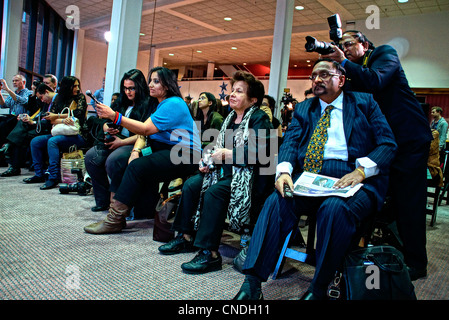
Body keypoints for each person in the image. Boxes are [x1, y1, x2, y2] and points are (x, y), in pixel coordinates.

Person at [233, 59, 397, 300]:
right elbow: (290, 143)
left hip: (352, 178)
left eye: (323, 74)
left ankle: (319, 288)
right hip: (309, 178)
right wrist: (285, 171)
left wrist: (361, 171)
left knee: (334, 210)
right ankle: (252, 283)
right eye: (313, 76)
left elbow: (388, 144)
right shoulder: (304, 108)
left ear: (341, 80)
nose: (316, 79)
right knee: (276, 201)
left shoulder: (364, 103)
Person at [324, 30, 433, 280]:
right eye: (342, 46)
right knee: (378, 196)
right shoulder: (353, 71)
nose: (345, 48)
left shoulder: (384, 54)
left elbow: (375, 81)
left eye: (349, 44)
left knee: (409, 201)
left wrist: (342, 61)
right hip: (382, 143)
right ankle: (366, 253)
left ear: (364, 44)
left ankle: (417, 262)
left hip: (408, 140)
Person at [158, 70, 274, 274]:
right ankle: (185, 237)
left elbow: (259, 153)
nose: (233, 94)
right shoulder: (230, 118)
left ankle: (209, 253)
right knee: (192, 184)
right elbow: (218, 148)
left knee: (214, 192)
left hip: (248, 179)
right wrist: (208, 160)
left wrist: (226, 155)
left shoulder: (259, 118)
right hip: (225, 173)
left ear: (253, 99)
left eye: (239, 91)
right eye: (232, 90)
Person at [83, 66, 201, 234]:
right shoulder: (159, 104)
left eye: (156, 81)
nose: (151, 85)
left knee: (137, 166)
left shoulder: (173, 103)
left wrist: (114, 116)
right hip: (166, 149)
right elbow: (144, 134)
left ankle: (114, 219)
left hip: (185, 154)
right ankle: (116, 215)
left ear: (167, 85)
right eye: (150, 81)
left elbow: (144, 129)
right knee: (121, 162)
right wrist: (135, 151)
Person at [84, 69, 156, 212]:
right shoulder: (120, 101)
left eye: (132, 88)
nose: (128, 92)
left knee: (114, 160)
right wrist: (106, 127)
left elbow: (146, 132)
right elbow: (105, 121)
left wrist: (122, 142)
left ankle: (118, 204)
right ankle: (102, 199)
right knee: (91, 157)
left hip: (135, 143)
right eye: (125, 88)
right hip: (117, 140)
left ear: (139, 87)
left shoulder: (149, 103)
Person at [25, 76, 88, 190]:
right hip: (61, 131)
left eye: (78, 85)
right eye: (74, 86)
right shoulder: (59, 98)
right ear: (66, 87)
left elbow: (78, 114)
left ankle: (53, 177)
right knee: (35, 141)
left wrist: (57, 116)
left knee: (52, 141)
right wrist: (64, 119)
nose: (77, 88)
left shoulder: (80, 97)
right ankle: (39, 174)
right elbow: (50, 118)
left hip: (78, 134)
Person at [0, 80, 50, 177]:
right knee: (5, 122)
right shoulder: (37, 97)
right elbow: (32, 109)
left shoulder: (49, 99)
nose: (14, 82)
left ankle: (9, 148)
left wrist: (32, 120)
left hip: (41, 125)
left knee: (21, 132)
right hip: (32, 120)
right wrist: (34, 94)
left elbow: (43, 115)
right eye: (13, 80)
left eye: (47, 83)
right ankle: (8, 150)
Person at [0, 75, 33, 151]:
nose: (14, 82)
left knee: (4, 124)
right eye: (13, 81)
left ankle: (6, 145)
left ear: (23, 82)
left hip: (21, 120)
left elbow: (23, 101)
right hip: (12, 118)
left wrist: (8, 90)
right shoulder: (13, 93)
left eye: (16, 80)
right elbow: (4, 105)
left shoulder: (28, 93)